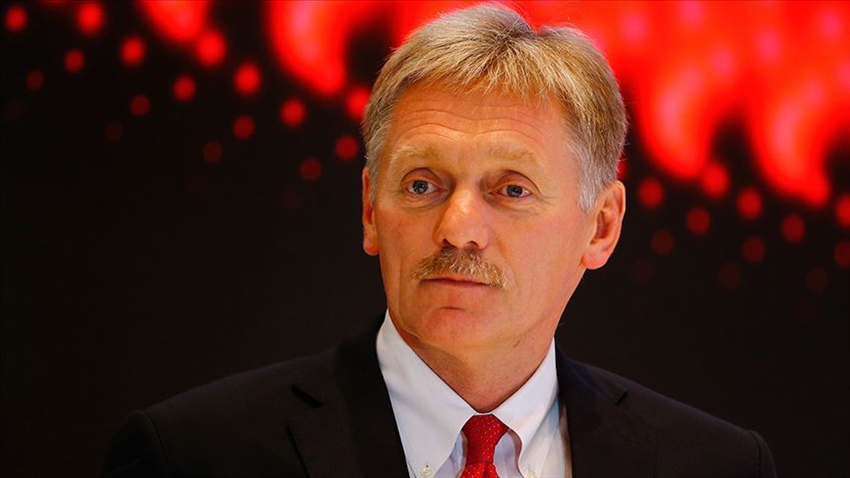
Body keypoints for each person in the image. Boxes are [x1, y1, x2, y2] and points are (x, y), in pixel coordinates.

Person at [103, 5, 776, 477]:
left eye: (511, 189)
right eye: (423, 184)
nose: (457, 228)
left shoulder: (716, 465)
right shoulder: (194, 456)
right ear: (371, 209)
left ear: (601, 226)